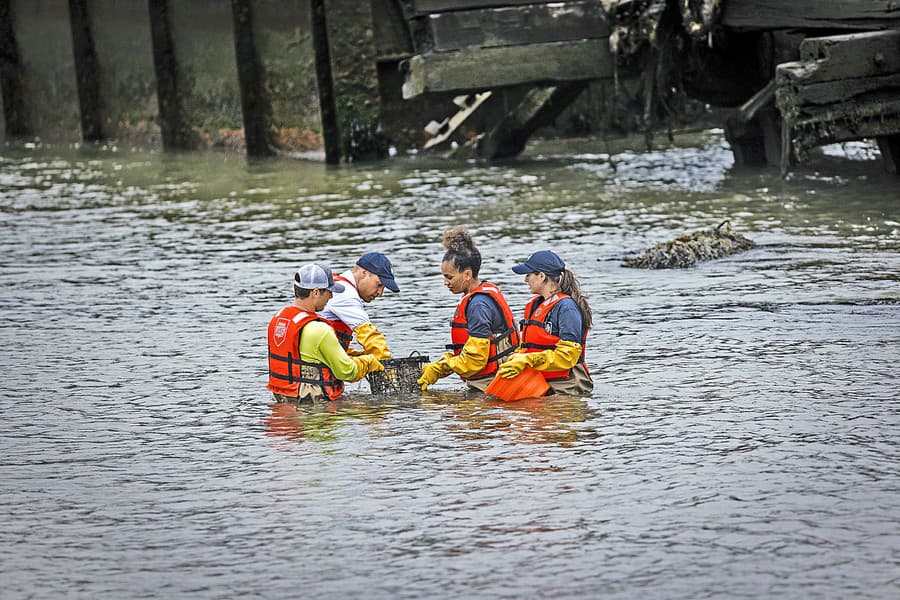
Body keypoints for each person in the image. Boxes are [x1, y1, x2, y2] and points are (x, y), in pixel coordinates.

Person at [417, 227, 519, 392]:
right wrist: (445, 361)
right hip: (489, 380)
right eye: (444, 277)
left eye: (449, 277)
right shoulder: (479, 296)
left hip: (492, 384)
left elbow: (475, 361)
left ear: (467, 275)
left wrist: (441, 367)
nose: (445, 282)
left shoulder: (478, 305)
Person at [267, 263, 384, 402]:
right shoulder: (320, 329)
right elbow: (347, 371)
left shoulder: (279, 319)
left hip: (283, 398)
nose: (331, 296)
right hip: (314, 408)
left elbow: (305, 355)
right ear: (316, 292)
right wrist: (370, 361)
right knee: (374, 411)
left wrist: (352, 354)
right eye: (329, 291)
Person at [496, 250, 593, 396]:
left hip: (567, 385)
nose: (525, 279)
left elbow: (568, 357)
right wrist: (517, 358)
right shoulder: (535, 305)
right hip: (541, 382)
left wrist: (528, 359)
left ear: (541, 276)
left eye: (528, 275)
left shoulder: (567, 308)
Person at [317, 252, 398, 360]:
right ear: (364, 273)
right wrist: (388, 368)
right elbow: (371, 337)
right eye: (379, 285)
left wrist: (356, 355)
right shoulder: (345, 294)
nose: (380, 293)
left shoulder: (338, 284)